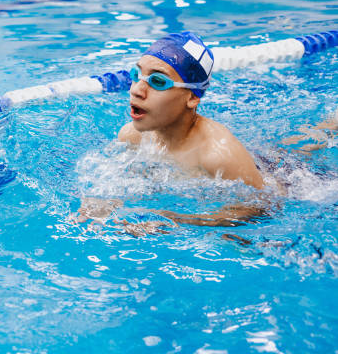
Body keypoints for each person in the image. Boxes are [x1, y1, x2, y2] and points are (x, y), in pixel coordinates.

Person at [77, 31, 268, 232]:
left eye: (158, 81)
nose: (136, 90)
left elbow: (261, 208)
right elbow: (124, 181)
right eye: (136, 75)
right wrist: (107, 203)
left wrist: (173, 219)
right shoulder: (132, 135)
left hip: (278, 176)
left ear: (192, 97)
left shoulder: (218, 155)